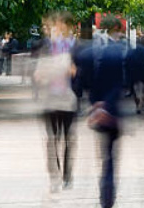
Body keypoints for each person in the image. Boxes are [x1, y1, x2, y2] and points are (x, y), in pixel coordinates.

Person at [76, 16, 126, 208]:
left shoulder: (89, 50)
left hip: (98, 108)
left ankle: (105, 193)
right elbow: (121, 82)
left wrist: (94, 104)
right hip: (112, 110)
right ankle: (107, 195)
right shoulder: (119, 50)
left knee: (106, 154)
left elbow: (83, 80)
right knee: (110, 155)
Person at [33, 33, 78, 193]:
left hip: (66, 102)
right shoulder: (44, 60)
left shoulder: (69, 57)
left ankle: (66, 175)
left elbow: (75, 74)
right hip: (51, 102)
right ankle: (56, 175)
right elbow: (38, 77)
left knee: (67, 140)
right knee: (53, 140)